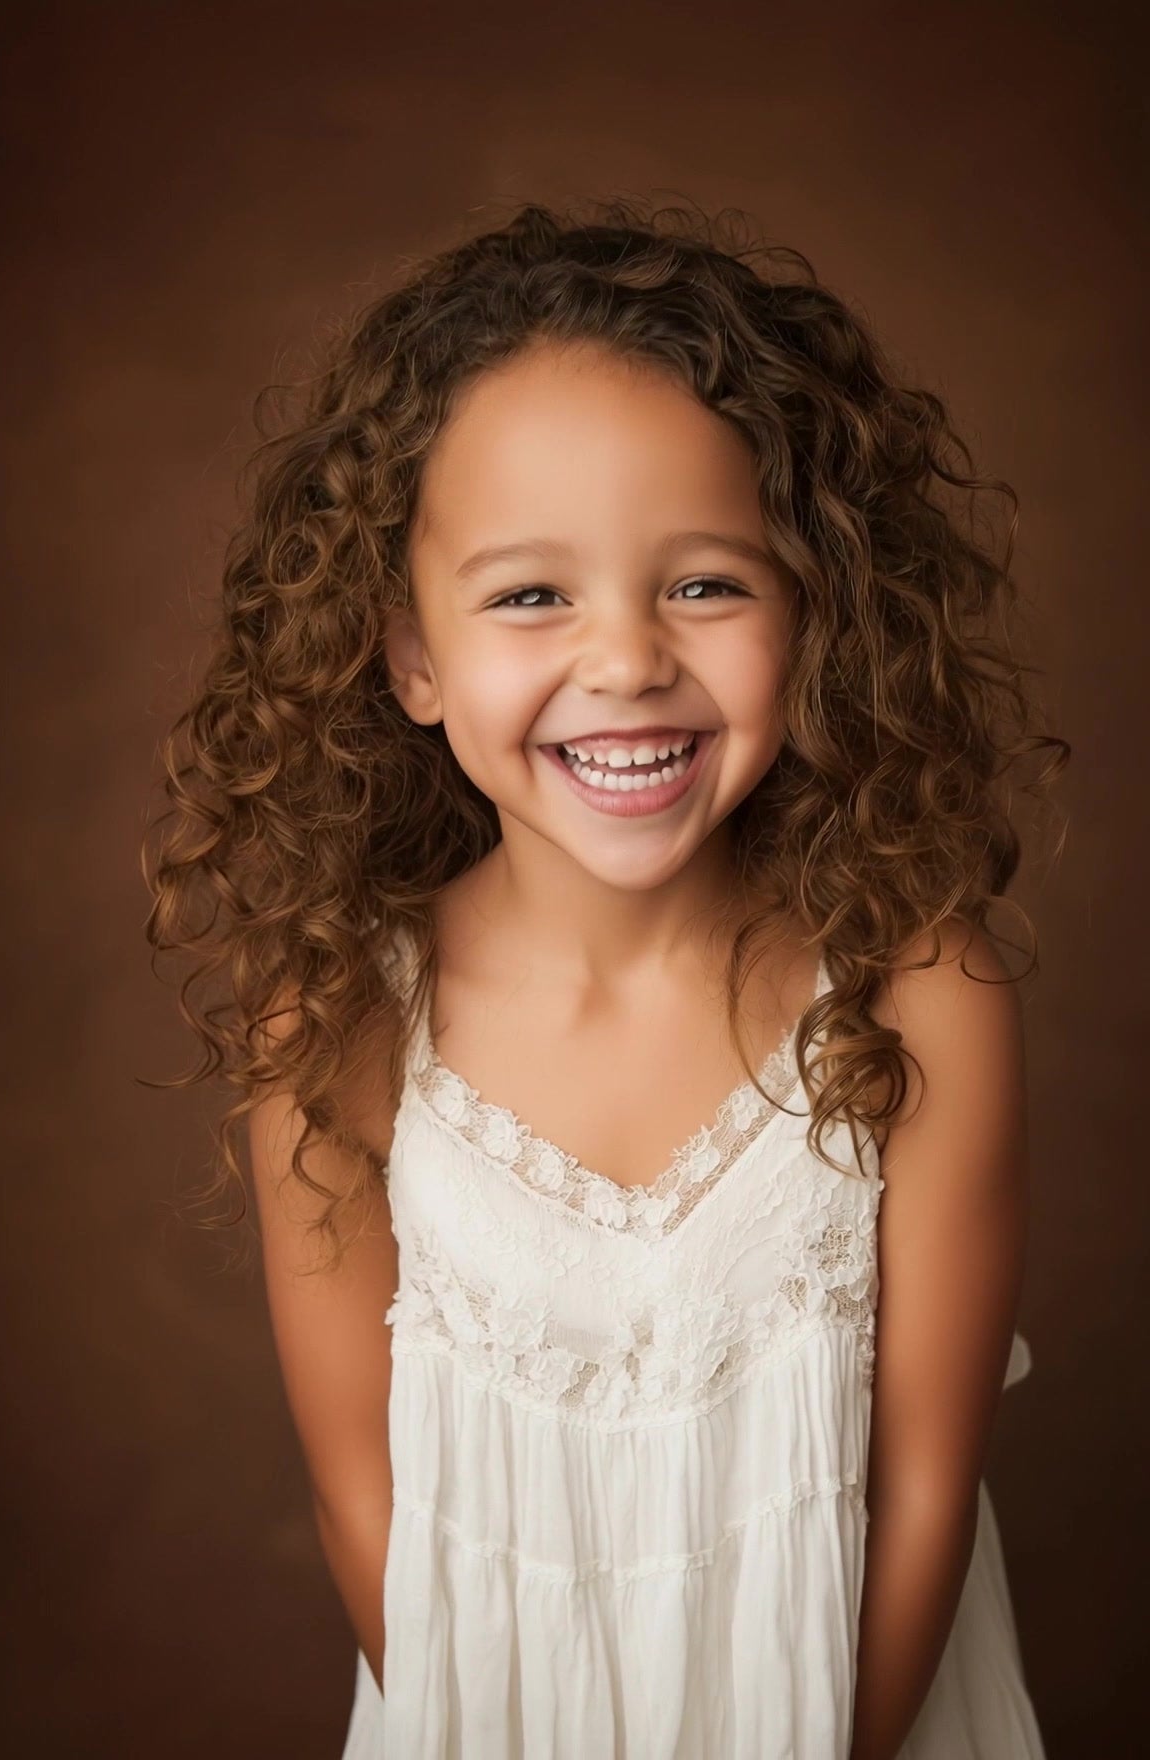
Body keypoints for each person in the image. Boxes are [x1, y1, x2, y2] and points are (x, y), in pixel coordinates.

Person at [143, 198, 1067, 1758]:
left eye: (707, 583)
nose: (628, 658)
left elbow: (919, 1484)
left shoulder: (917, 992)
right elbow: (364, 1495)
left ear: (811, 608)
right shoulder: (343, 1025)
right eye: (529, 595)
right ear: (410, 659)